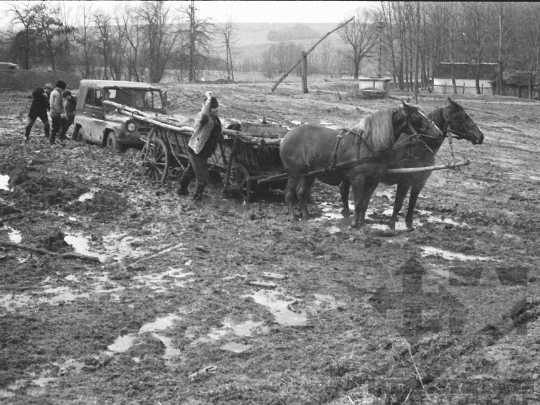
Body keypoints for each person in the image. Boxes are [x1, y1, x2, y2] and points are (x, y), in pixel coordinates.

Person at [177, 91, 222, 202]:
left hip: (203, 150)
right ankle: (197, 199)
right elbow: (205, 112)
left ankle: (181, 190)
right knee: (203, 177)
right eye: (214, 108)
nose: (217, 110)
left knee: (190, 171)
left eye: (217, 108)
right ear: (209, 108)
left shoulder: (216, 119)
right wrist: (209, 98)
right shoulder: (204, 118)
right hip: (196, 150)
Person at [49, 80, 67, 145]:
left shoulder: (53, 92)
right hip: (56, 113)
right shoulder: (57, 93)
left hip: (52, 112)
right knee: (65, 124)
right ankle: (60, 138)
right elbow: (56, 104)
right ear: (62, 87)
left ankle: (52, 141)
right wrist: (61, 113)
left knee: (55, 127)